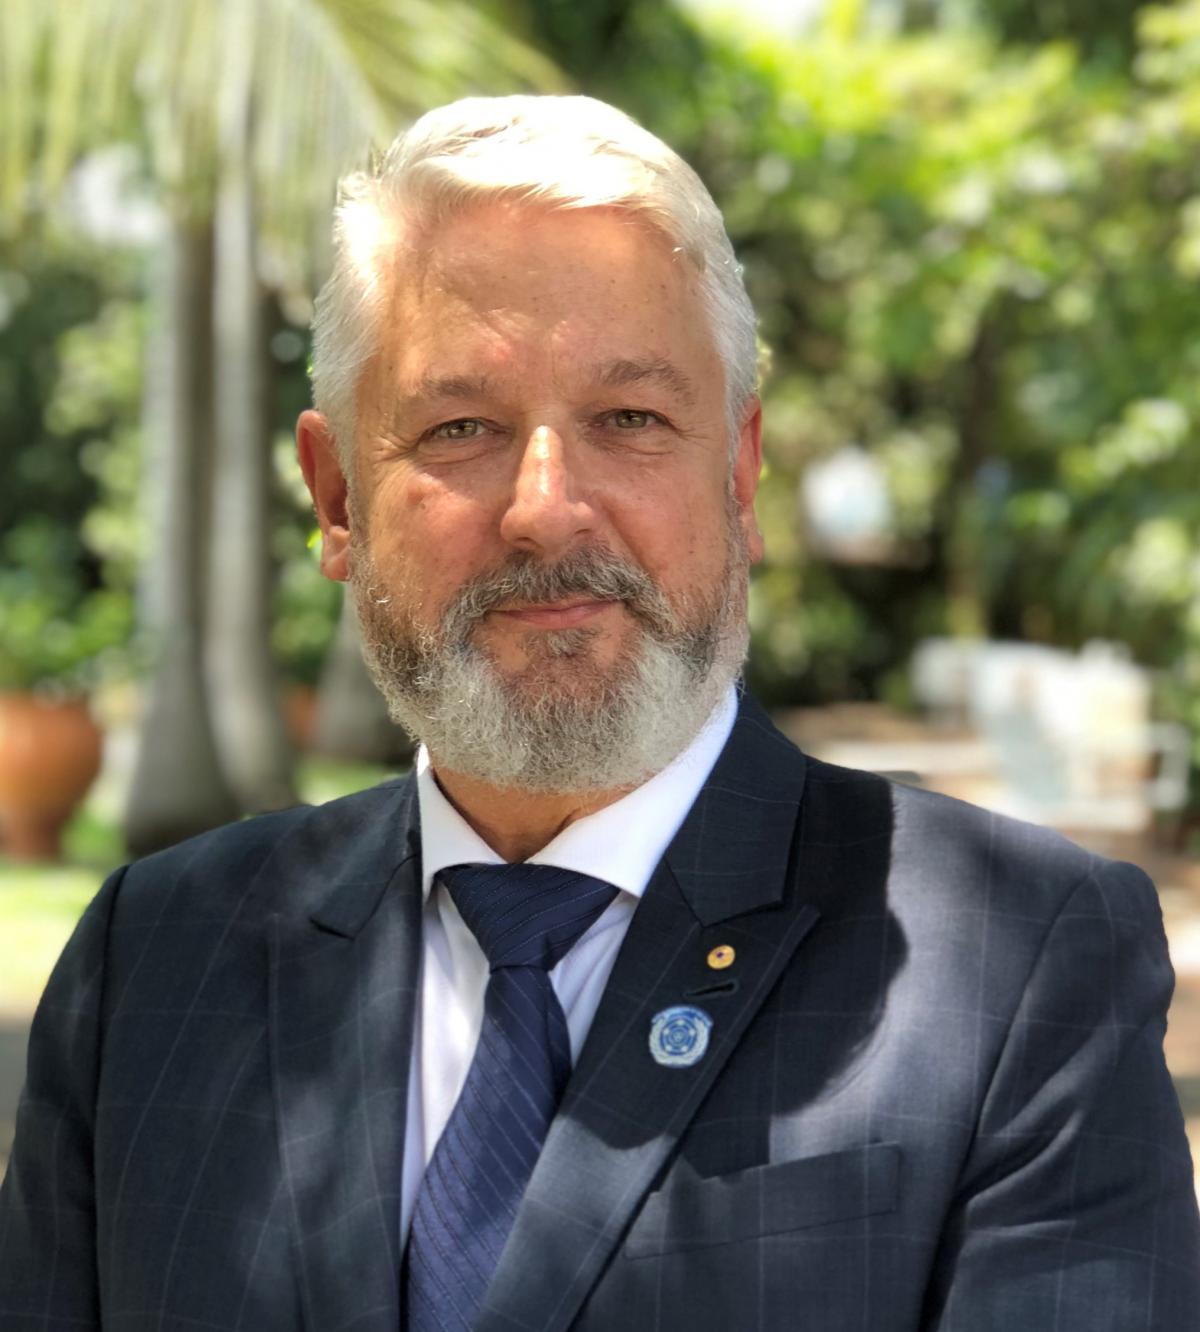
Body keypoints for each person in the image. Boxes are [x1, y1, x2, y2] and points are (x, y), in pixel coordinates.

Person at [1, 94, 1197, 1332]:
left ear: (739, 476)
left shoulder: (1020, 961)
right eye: (460, 427)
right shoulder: (152, 960)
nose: (546, 508)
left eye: (630, 419)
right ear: (337, 495)